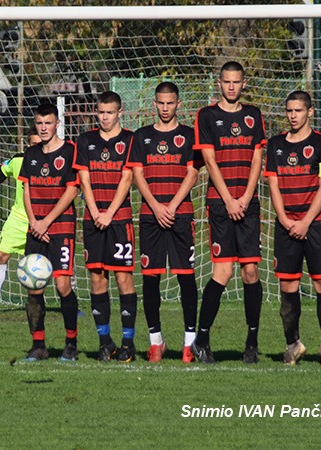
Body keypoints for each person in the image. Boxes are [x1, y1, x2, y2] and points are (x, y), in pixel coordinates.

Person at [192, 61, 266, 364]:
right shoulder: (207, 115)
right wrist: (230, 200)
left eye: (236, 82)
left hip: (248, 204)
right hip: (221, 205)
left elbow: (257, 157)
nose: (231, 87)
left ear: (244, 83)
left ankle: (251, 343)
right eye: (226, 82)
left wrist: (246, 198)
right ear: (218, 83)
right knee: (222, 272)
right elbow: (209, 162)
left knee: (250, 272)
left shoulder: (253, 115)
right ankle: (202, 339)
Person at [264, 91, 321, 366]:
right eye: (289, 110)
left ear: (310, 112)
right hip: (286, 226)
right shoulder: (275, 145)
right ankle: (293, 344)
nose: (293, 115)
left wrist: (306, 221)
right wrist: (284, 219)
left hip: (316, 226)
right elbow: (272, 184)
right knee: (288, 285)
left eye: (298, 110)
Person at [127, 82, 198, 364]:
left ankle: (189, 344)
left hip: (181, 215)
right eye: (160, 103)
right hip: (150, 215)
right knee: (151, 278)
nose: (165, 108)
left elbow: (192, 174)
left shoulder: (190, 136)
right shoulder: (142, 136)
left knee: (186, 277)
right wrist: (156, 206)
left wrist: (171, 205)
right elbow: (137, 175)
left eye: (170, 103)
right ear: (154, 104)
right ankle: (155, 342)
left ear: (178, 104)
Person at [74, 91, 137, 363]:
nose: (105, 117)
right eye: (100, 112)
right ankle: (104, 341)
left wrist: (109, 213)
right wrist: (96, 212)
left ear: (120, 112)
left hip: (119, 220)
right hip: (93, 220)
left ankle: (128, 342)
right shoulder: (86, 140)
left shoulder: (131, 139)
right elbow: (84, 181)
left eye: (110, 112)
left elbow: (127, 179)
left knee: (123, 279)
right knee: (97, 278)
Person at [17, 103, 80, 362]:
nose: (43, 128)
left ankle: (71, 343)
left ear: (57, 124)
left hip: (61, 226)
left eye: (48, 123)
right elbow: (27, 190)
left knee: (63, 285)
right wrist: (34, 222)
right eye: (40, 123)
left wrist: (47, 222)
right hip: (37, 228)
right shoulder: (31, 154)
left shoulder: (70, 151)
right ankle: (39, 345)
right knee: (34, 287)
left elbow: (71, 190)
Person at [0, 125, 42, 314]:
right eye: (33, 144)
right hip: (19, 219)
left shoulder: (53, 161)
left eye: (40, 144)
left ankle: (71, 303)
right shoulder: (19, 160)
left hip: (45, 221)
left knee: (61, 261)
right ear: (27, 145)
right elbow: (4, 170)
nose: (36, 148)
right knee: (0, 256)